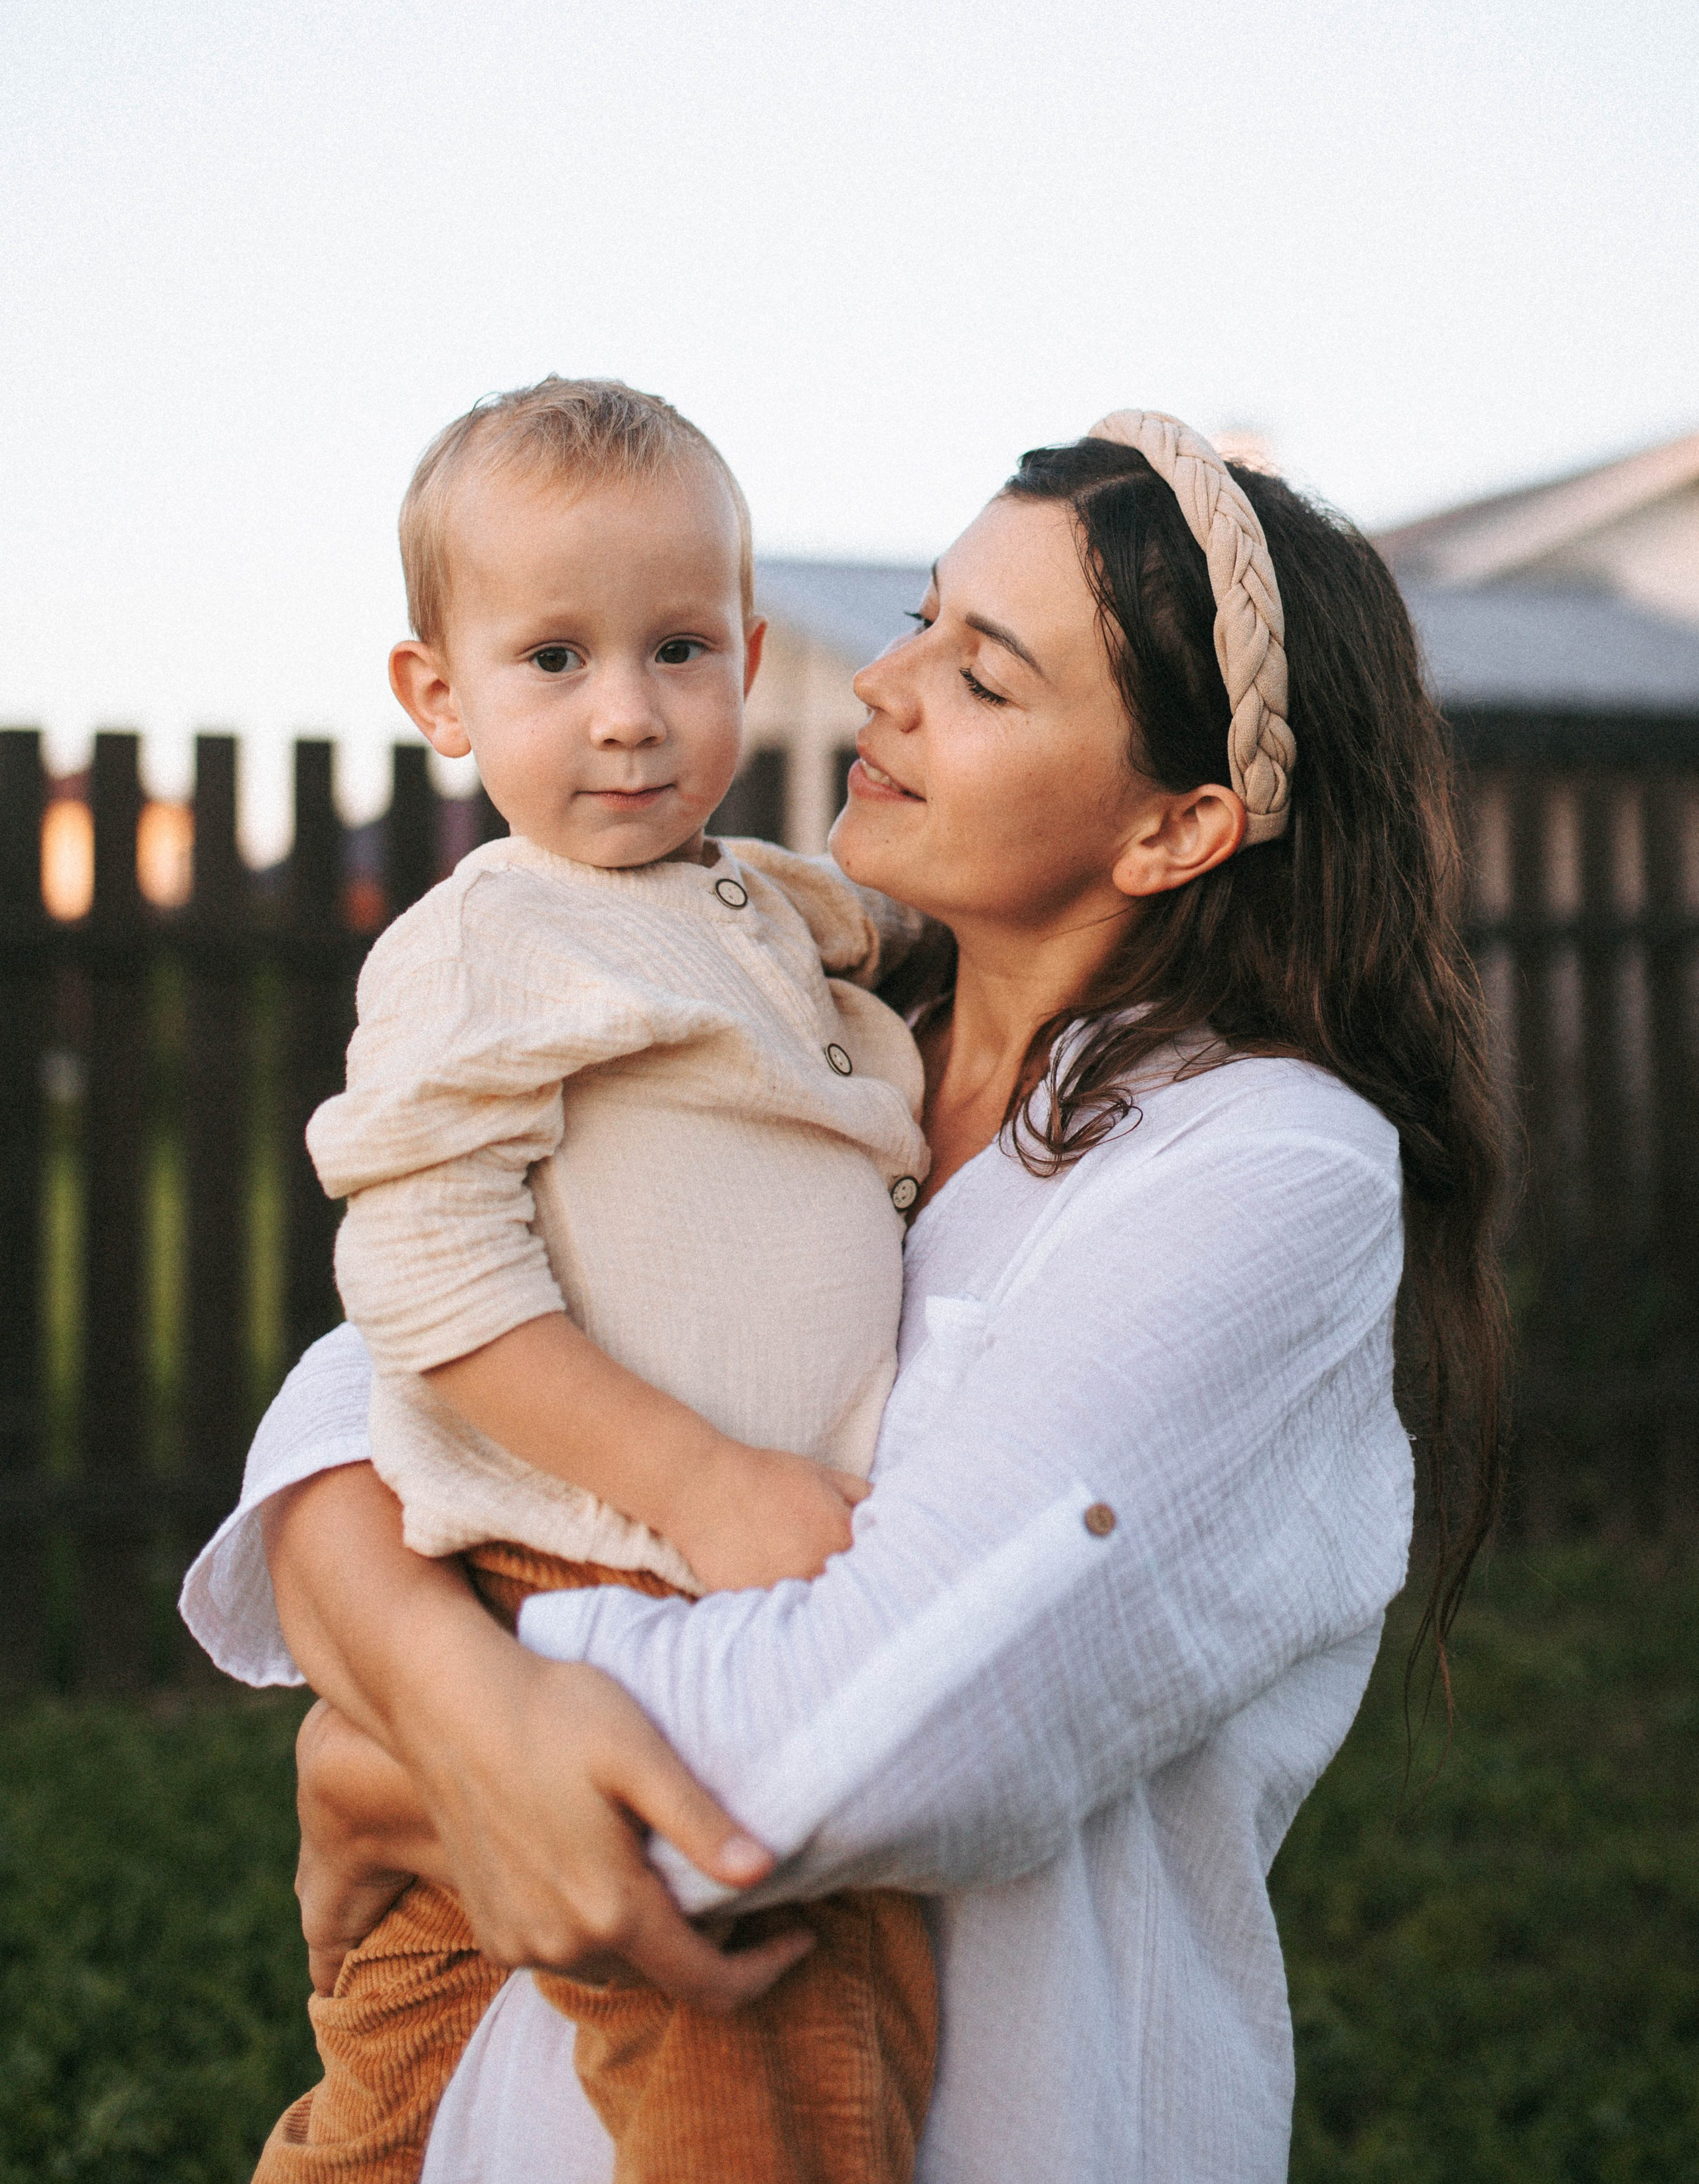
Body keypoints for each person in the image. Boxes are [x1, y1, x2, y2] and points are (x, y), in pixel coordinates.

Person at [184, 410, 1507, 2183]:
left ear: (1175, 827)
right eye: (919, 617)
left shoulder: (1262, 1167)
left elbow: (867, 1737)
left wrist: (402, 1755)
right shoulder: (818, 1045)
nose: (881, 686)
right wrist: (440, 1691)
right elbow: (355, 1393)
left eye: (985, 673)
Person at [245, 374, 938, 2184]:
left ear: (749, 653)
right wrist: (691, 1478)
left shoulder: (769, 907)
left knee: (426, 2059)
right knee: (744, 2049)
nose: (629, 716)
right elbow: (416, 1261)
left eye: (680, 649)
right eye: (554, 659)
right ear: (439, 696)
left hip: (689, 1568)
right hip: (590, 1560)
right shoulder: (490, 933)